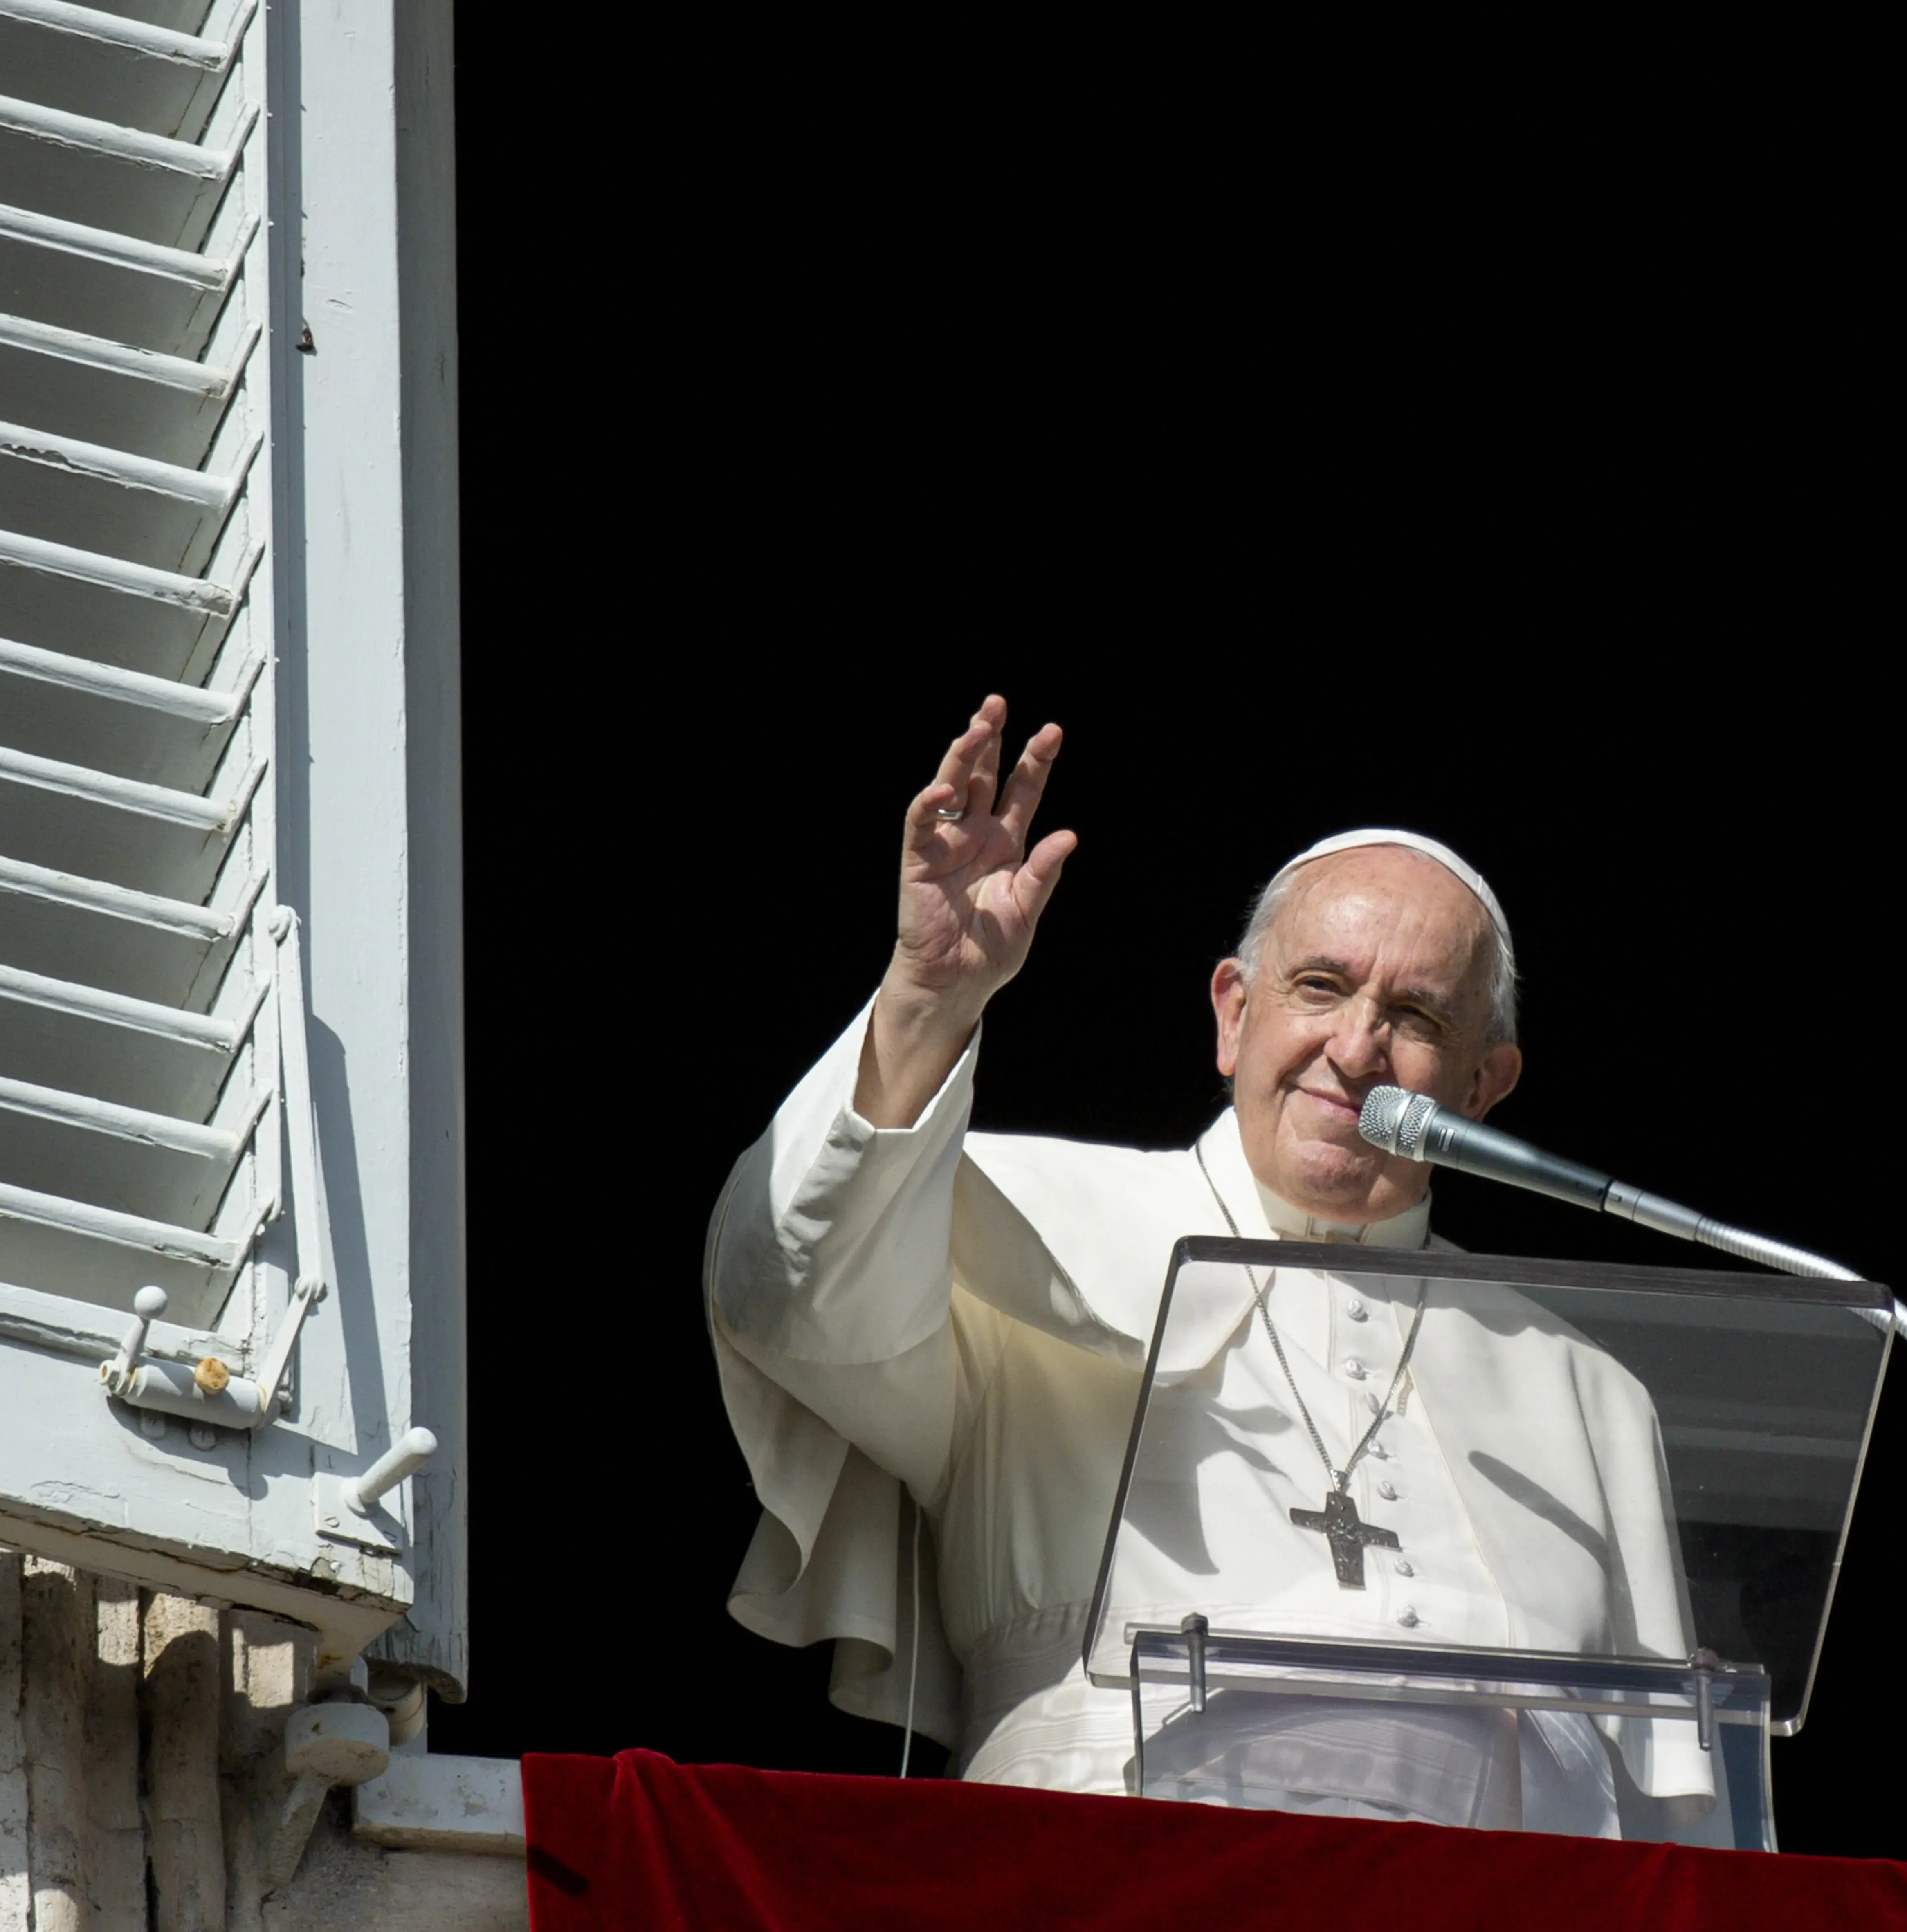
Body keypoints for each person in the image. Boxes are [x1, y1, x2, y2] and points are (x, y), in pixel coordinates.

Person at [705, 697, 1714, 1834]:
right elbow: (787, 1292)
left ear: (1484, 1084)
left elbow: (1678, 1830)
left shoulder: (1584, 1391)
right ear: (1233, 1013)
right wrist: (926, 1003)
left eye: (1416, 1015)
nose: (1354, 1049)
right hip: (1100, 1871)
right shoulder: (1005, 1220)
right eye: (1320, 988)